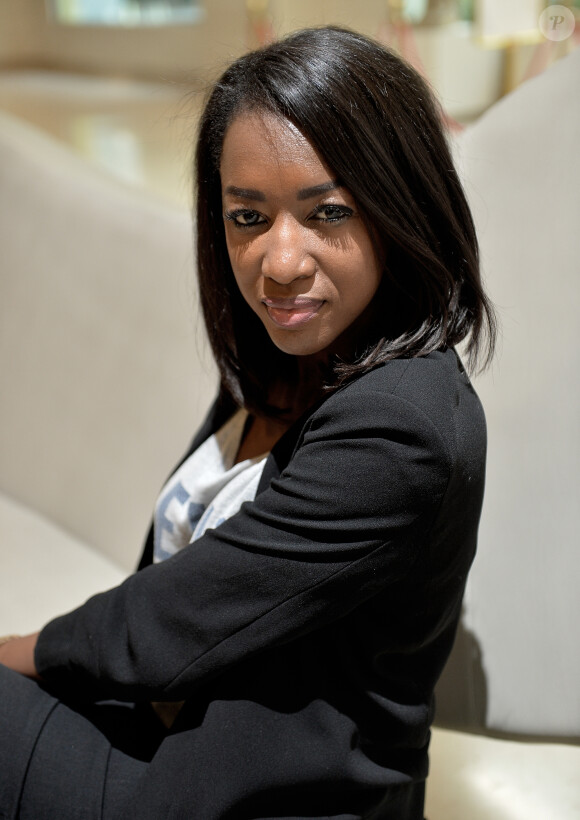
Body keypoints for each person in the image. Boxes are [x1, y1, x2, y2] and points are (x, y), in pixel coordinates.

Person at [0, 26, 496, 820]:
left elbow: (176, 620)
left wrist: (23, 651)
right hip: (163, 740)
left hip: (252, 796)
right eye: (247, 216)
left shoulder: (404, 428)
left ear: (400, 207)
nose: (280, 260)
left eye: (327, 211)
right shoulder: (291, 358)